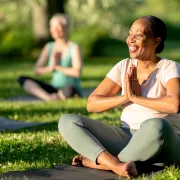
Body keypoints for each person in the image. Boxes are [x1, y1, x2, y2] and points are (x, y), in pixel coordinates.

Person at [58, 15, 180, 178]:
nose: (130, 40)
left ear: (156, 42)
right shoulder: (124, 66)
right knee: (68, 121)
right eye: (130, 34)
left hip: (165, 141)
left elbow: (174, 104)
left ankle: (101, 163)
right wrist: (125, 98)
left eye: (138, 35)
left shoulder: (169, 67)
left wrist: (137, 98)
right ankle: (116, 165)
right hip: (127, 137)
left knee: (157, 125)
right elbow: (92, 104)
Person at [18, 13, 83, 101]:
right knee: (23, 79)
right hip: (54, 88)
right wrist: (51, 68)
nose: (54, 30)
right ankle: (48, 97)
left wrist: (58, 67)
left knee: (69, 88)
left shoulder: (74, 47)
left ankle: (60, 96)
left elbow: (77, 72)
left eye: (57, 27)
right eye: (52, 27)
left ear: (66, 27)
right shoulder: (49, 47)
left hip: (70, 88)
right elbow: (36, 71)